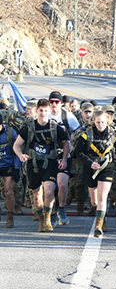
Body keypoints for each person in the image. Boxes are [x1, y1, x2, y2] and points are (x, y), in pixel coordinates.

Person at [13, 99, 69, 232]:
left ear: (49, 111)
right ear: (37, 111)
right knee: (37, 195)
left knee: (49, 191)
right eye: (41, 110)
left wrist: (64, 159)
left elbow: (66, 143)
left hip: (50, 163)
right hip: (33, 164)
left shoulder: (55, 128)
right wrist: (21, 155)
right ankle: (41, 219)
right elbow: (16, 145)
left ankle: (48, 217)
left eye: (46, 110)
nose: (43, 113)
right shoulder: (29, 128)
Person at [73, 110, 116, 237]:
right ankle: (101, 217)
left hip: (107, 167)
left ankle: (99, 224)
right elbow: (79, 152)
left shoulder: (114, 134)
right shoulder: (86, 134)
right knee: (94, 200)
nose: (100, 125)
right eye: (98, 122)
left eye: (103, 122)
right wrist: (90, 163)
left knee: (102, 197)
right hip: (91, 168)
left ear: (108, 121)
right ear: (94, 121)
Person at [48, 91, 81, 227]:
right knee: (49, 188)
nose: (54, 104)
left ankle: (61, 208)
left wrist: (73, 146)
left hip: (64, 154)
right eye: (52, 101)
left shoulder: (67, 116)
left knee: (62, 183)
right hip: (48, 156)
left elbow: (78, 132)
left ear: (61, 103)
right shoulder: (45, 115)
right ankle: (51, 212)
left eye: (57, 102)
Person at [0, 113, 20, 228]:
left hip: (8, 165)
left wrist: (17, 168)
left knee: (8, 191)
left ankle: (10, 216)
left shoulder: (10, 133)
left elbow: (17, 149)